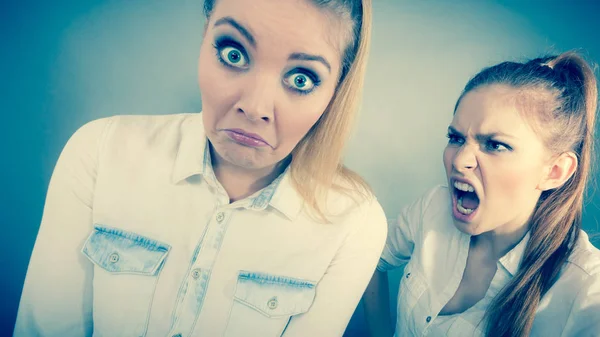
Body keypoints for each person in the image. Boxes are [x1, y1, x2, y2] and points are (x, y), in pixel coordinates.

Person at [14, 1, 388, 336]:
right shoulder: (99, 151)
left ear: (336, 90)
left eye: (301, 79)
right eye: (234, 53)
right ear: (205, 33)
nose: (255, 107)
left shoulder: (354, 223)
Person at [364, 52, 600, 337]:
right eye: (456, 138)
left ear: (555, 171)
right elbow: (373, 258)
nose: (460, 159)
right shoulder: (432, 208)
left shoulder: (585, 290)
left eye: (495, 145)